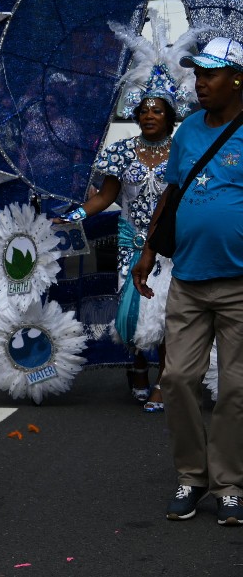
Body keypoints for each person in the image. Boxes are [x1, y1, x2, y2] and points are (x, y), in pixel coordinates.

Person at [58, 16, 197, 413]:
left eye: (158, 111)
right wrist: (74, 215)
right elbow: (105, 197)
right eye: (144, 111)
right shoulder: (121, 152)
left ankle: (164, 383)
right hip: (130, 241)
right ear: (136, 116)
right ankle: (137, 366)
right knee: (132, 314)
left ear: (171, 116)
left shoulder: (185, 151)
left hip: (172, 244)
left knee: (171, 314)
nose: (150, 116)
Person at [134, 36, 243, 526]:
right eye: (197, 74)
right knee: (176, 379)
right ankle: (192, 476)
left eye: (211, 74)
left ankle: (230, 485)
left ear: (237, 79)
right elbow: (173, 193)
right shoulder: (188, 132)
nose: (200, 83)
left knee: (236, 389)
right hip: (189, 279)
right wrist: (149, 247)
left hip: (239, 283)